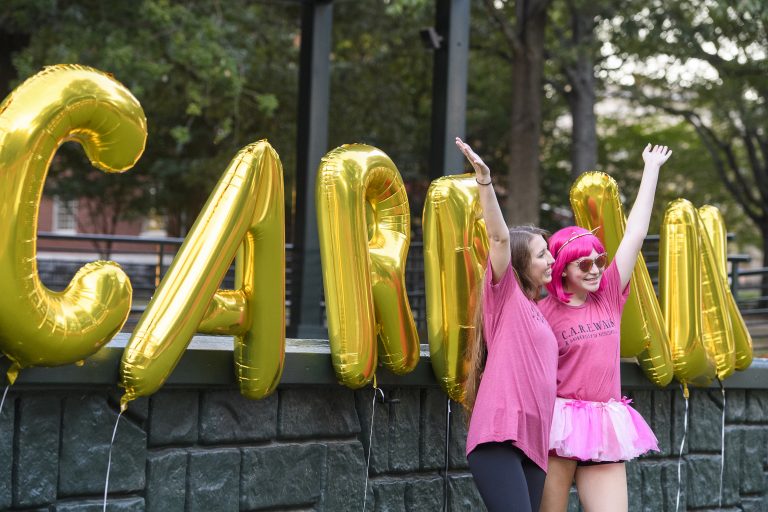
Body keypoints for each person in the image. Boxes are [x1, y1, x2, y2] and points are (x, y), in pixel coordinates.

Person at [538, 144, 672, 512]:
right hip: (558, 424)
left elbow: (635, 234)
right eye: (583, 265)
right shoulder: (541, 311)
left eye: (598, 260)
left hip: (604, 421)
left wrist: (650, 168)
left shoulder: (609, 294)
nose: (595, 269)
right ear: (562, 268)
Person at [456, 137, 558, 512]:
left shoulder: (538, 310)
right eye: (541, 254)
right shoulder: (506, 296)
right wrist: (485, 180)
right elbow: (498, 237)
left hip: (534, 442)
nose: (551, 260)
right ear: (518, 263)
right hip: (500, 437)